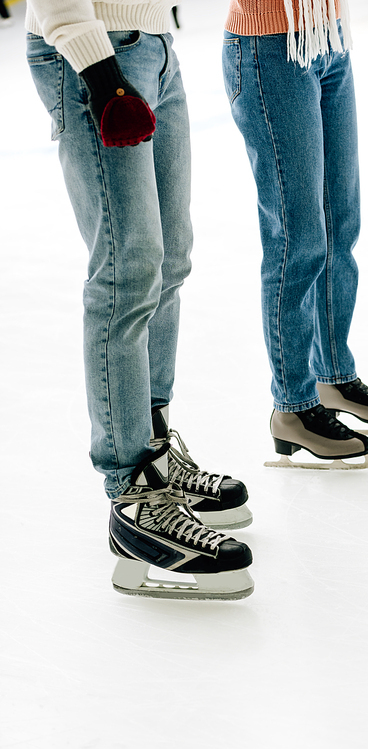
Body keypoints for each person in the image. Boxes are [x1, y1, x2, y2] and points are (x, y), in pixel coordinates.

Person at [25, 0, 254, 600]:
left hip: (154, 44)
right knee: (127, 269)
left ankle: (153, 445)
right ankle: (133, 490)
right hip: (93, 51)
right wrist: (99, 72)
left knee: (169, 258)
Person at [223, 0, 368, 469]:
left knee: (340, 224)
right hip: (270, 47)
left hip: (328, 38)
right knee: (297, 238)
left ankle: (333, 377)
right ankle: (292, 408)